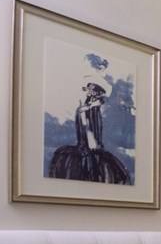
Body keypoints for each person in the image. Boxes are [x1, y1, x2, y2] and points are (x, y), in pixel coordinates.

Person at [48, 56, 131, 184]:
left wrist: (91, 105)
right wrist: (82, 107)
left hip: (93, 111)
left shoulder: (106, 85)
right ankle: (84, 145)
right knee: (84, 131)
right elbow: (81, 98)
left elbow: (103, 99)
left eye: (87, 64)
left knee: (93, 134)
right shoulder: (84, 80)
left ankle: (93, 148)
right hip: (83, 110)